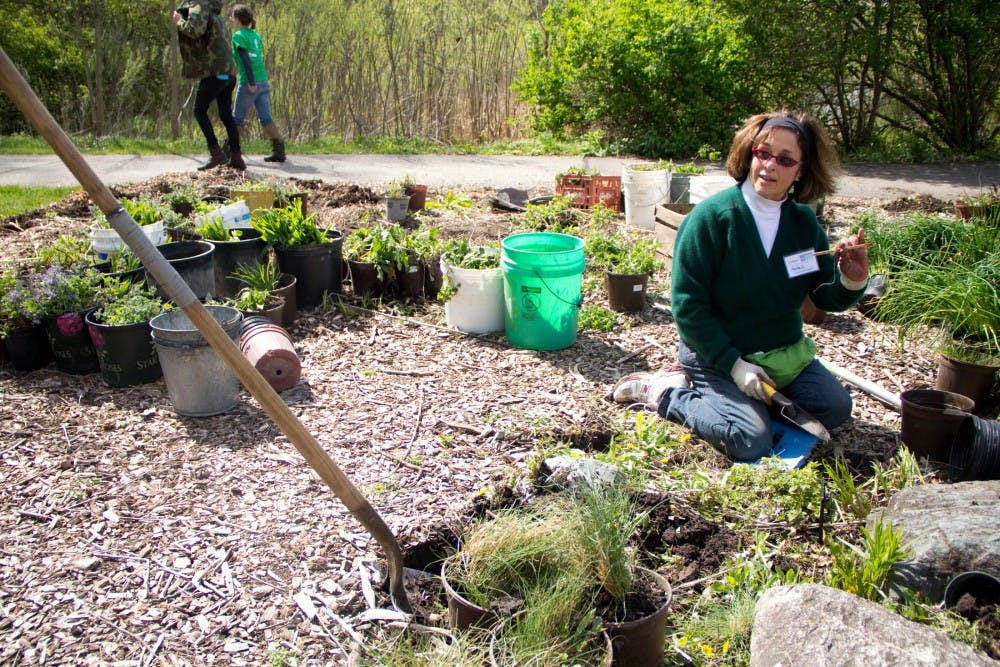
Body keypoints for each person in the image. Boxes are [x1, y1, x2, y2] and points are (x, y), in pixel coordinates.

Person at [610, 110, 870, 462]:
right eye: (762, 153)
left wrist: (852, 279)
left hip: (780, 356)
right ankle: (664, 391)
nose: (769, 166)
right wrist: (734, 365)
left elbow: (824, 295)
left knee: (836, 408)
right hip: (715, 354)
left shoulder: (804, 225)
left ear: (801, 170)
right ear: (749, 152)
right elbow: (688, 308)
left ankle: (755, 404)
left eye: (784, 159)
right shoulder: (712, 220)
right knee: (750, 440)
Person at [173, 0, 245, 171]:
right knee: (226, 115)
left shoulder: (200, 6)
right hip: (229, 72)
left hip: (215, 72)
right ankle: (236, 157)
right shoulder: (215, 12)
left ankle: (217, 154)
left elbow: (194, 30)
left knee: (199, 110)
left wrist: (178, 21)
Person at [230, 4, 286, 163]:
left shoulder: (238, 36)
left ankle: (231, 151)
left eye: (232, 17)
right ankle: (279, 150)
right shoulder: (256, 36)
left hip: (249, 82)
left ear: (238, 19)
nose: (231, 20)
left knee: (237, 119)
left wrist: (251, 82)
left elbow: (246, 59)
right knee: (265, 117)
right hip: (263, 80)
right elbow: (257, 58)